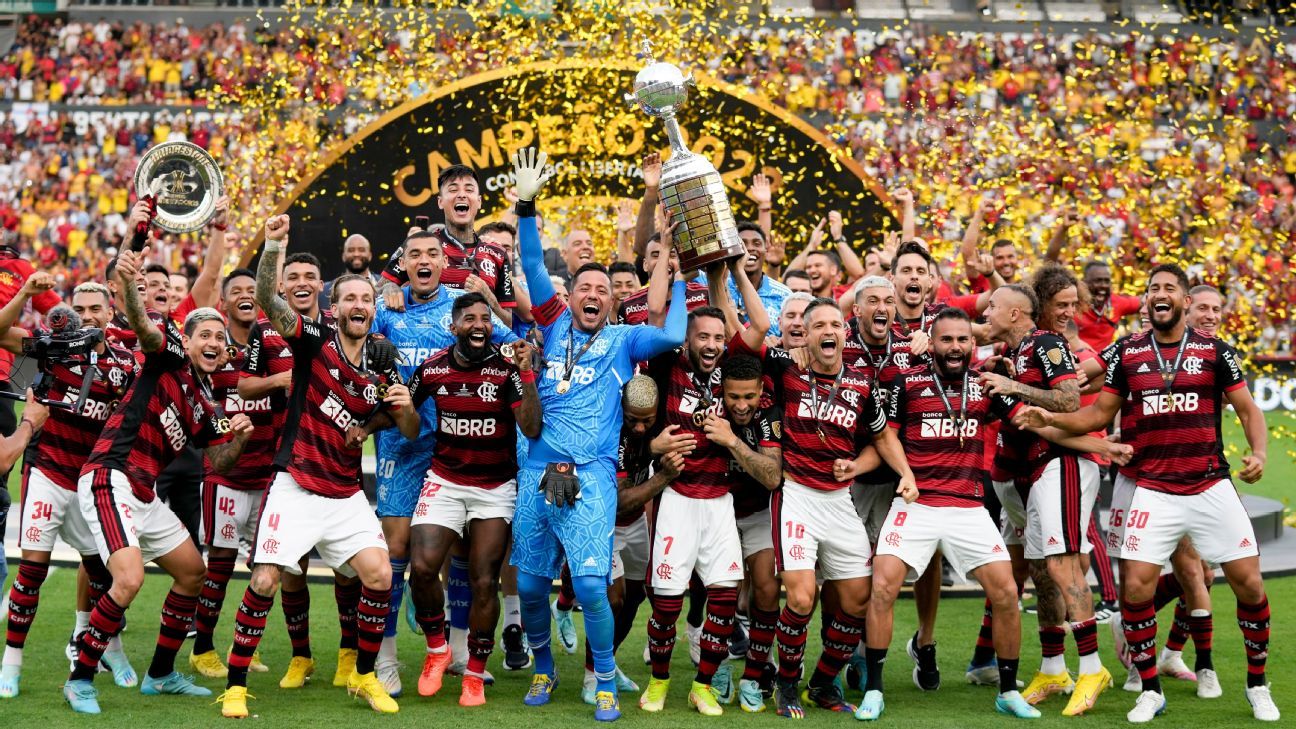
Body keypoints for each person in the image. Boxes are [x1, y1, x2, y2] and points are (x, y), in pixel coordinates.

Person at [1016, 263, 1277, 723]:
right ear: (1146, 300)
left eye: (1169, 288)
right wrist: (1050, 419)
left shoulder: (1215, 351)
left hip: (1209, 483)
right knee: (1134, 591)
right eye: (1152, 287)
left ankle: (1258, 684)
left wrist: (1258, 452)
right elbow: (1097, 415)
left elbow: (1248, 408)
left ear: (1182, 300)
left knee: (1250, 584)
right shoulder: (1127, 353)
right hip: (1152, 489)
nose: (1160, 293)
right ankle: (1150, 689)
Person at [508, 147, 686, 722]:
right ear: (572, 296)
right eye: (582, 287)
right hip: (538, 472)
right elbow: (534, 266)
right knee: (532, 589)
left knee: (589, 586)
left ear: (612, 301)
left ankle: (604, 675)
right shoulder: (553, 322)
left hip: (590, 477)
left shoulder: (625, 340)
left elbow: (676, 333)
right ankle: (542, 667)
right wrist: (527, 206)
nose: (590, 294)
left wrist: (679, 281)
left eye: (600, 290)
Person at [216, 214, 419, 719]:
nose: (358, 306)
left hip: (345, 493)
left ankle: (365, 676)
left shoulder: (383, 360)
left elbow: (408, 430)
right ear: (335, 307)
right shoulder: (313, 340)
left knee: (378, 576)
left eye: (365, 300)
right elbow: (267, 297)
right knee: (264, 579)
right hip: (297, 485)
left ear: (374, 309)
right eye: (349, 299)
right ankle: (236, 685)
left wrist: (403, 408)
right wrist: (274, 245)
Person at [67, 246, 254, 715]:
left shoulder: (204, 400)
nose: (214, 341)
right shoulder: (167, 358)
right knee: (126, 580)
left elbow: (223, 462)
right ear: (187, 342)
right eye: (204, 334)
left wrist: (241, 438)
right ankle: (80, 678)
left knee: (194, 573)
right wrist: (130, 284)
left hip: (143, 493)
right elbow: (145, 326)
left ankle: (161, 674)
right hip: (110, 476)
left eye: (220, 337)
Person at [730, 297, 916, 719]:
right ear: (807, 335)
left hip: (838, 499)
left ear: (844, 333)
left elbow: (881, 439)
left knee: (856, 599)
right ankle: (788, 685)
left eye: (835, 324)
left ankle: (821, 683)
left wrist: (900, 472)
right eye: (818, 326)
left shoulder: (863, 383)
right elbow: (746, 344)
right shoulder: (786, 367)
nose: (828, 331)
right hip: (795, 495)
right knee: (799, 597)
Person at [860, 307, 1038, 720]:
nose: (954, 347)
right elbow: (884, 435)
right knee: (883, 588)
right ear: (932, 344)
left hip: (968, 507)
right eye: (946, 340)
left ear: (972, 345)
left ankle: (1009, 691)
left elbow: (1026, 419)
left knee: (1008, 593)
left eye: (962, 340)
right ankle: (874, 689)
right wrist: (898, 473)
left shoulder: (986, 385)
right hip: (917, 503)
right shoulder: (908, 384)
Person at [638, 259, 769, 716]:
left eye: (718, 337)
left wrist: (728, 273)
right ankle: (658, 682)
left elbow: (759, 326)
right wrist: (673, 270)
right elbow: (657, 316)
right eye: (703, 337)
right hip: (676, 498)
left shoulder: (734, 370)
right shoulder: (668, 364)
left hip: (720, 502)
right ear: (688, 340)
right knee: (667, 604)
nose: (712, 344)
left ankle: (704, 685)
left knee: (724, 598)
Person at [0, 277, 136, 699]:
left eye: (97, 308)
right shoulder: (52, 346)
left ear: (111, 313)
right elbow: (0, 333)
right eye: (81, 308)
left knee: (102, 574)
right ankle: (11, 663)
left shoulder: (128, 363)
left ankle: (110, 647)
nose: (89, 316)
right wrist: (23, 295)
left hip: (93, 480)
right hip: (47, 471)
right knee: (31, 572)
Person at [979, 283, 1109, 716]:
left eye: (993, 306)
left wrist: (1014, 388)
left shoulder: (1046, 342)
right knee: (1041, 569)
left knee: (1062, 562)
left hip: (1063, 462)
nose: (987, 309)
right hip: (1034, 470)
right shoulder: (1013, 351)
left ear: (1015, 314)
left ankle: (1092, 667)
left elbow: (1070, 397)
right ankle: (1054, 667)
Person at [405, 293, 541, 707]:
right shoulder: (432, 369)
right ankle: (437, 651)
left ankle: (476, 675)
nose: (479, 324)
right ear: (454, 326)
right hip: (444, 481)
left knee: (485, 580)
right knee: (423, 570)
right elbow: (405, 409)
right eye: (469, 318)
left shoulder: (506, 370)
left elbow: (532, 427)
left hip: (494, 488)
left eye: (485, 317)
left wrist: (528, 374)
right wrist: (367, 422)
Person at [238, 251, 361, 691]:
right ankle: (301, 656)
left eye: (312, 275)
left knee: (349, 568)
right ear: (283, 286)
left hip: (337, 461)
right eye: (294, 277)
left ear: (322, 284)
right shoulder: (266, 329)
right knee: (291, 568)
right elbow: (244, 385)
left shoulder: (341, 324)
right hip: (289, 461)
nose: (303, 282)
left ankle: (349, 656)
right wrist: (281, 381)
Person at [187, 269, 280, 680]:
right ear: (223, 304)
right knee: (220, 563)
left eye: (252, 290)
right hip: (225, 477)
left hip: (271, 479)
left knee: (266, 565)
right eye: (235, 291)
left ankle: (247, 642)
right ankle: (203, 648)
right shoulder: (210, 353)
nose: (245, 295)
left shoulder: (279, 347)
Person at [701, 353, 783, 713]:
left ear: (761, 390)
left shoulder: (769, 414)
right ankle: (717, 669)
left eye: (749, 396)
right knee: (723, 592)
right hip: (718, 509)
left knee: (766, 587)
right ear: (723, 391)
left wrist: (733, 441)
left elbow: (772, 475)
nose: (742, 404)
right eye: (734, 397)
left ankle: (754, 674)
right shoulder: (707, 411)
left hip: (758, 512)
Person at [379, 165, 515, 326]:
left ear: (479, 202)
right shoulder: (420, 244)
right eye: (453, 190)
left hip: (478, 347)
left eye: (469, 190)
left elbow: (509, 324)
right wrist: (389, 289)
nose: (462, 195)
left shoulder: (497, 253)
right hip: (429, 344)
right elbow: (378, 290)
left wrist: (489, 298)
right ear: (440, 202)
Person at [1074, 261, 1141, 351]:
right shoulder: (1072, 301)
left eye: (1107, 281)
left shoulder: (1117, 302)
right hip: (1074, 360)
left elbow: (1146, 301)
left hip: (1104, 362)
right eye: (1098, 281)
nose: (1103, 285)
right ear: (1084, 282)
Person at [320, 233, 381, 306]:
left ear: (370, 255)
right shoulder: (324, 291)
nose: (356, 254)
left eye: (361, 250)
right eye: (351, 250)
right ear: (343, 256)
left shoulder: (386, 285)